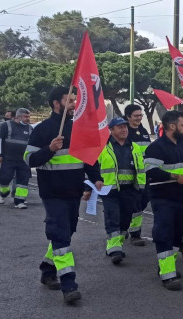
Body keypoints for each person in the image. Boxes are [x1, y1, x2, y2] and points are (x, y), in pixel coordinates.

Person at [25, 86, 100, 303]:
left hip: (73, 192)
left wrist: (94, 178)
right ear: (56, 103)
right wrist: (49, 149)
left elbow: (88, 158)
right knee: (60, 234)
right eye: (69, 101)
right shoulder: (41, 130)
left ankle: (47, 270)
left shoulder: (78, 128)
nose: (74, 104)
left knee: (66, 233)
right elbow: (29, 160)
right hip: (52, 193)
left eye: (75, 100)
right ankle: (69, 284)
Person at [144, 110, 183, 290]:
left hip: (181, 199)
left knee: (178, 234)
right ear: (171, 126)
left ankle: (165, 264)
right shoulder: (156, 147)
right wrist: (174, 176)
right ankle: (168, 275)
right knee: (164, 234)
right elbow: (151, 171)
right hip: (163, 198)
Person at [86, 117, 145, 265]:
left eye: (125, 126)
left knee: (125, 220)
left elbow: (141, 168)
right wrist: (89, 187)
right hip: (109, 190)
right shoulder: (103, 147)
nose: (124, 129)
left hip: (130, 190)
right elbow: (92, 168)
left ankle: (115, 244)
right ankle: (115, 249)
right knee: (113, 218)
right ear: (111, 131)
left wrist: (142, 188)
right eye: (120, 127)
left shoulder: (134, 147)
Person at [124, 104, 151, 246]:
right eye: (136, 116)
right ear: (128, 117)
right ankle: (135, 234)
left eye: (140, 115)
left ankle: (129, 226)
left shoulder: (143, 130)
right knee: (134, 204)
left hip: (143, 174)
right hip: (128, 174)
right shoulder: (124, 131)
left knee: (142, 202)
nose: (139, 118)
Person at [0, 108, 33, 208]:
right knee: (4, 178)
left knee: (23, 181)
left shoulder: (30, 128)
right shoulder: (6, 125)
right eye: (26, 116)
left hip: (23, 160)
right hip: (8, 158)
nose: (28, 119)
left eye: (28, 117)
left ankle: (19, 201)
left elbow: (32, 144)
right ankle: (3, 194)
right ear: (18, 116)